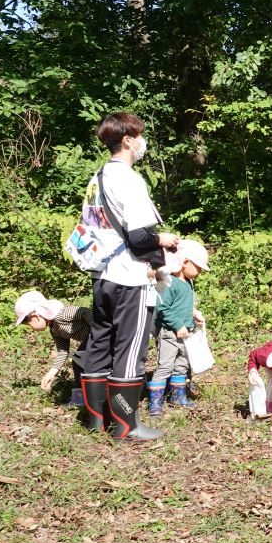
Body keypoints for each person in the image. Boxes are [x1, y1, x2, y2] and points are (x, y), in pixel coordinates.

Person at [80, 112, 178, 442]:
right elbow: (139, 237)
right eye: (139, 135)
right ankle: (126, 425)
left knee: (100, 341)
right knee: (130, 348)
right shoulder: (130, 179)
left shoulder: (97, 177)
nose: (142, 142)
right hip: (129, 276)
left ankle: (96, 421)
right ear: (127, 140)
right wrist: (163, 240)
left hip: (101, 273)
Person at [147, 239, 210, 416]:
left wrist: (194, 313)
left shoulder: (188, 283)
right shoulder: (170, 283)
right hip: (169, 333)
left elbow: (183, 305)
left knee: (182, 364)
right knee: (165, 365)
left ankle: (177, 397)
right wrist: (177, 325)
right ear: (185, 263)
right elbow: (162, 308)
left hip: (185, 333)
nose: (199, 272)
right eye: (198, 267)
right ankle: (156, 403)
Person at [15, 291, 91, 407]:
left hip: (100, 335)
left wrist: (98, 330)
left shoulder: (63, 314)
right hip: (94, 338)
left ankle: (83, 398)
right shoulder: (54, 329)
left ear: (36, 316)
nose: (31, 329)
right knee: (79, 360)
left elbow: (85, 311)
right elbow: (63, 351)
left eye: (29, 325)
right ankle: (84, 397)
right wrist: (51, 373)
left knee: (78, 359)